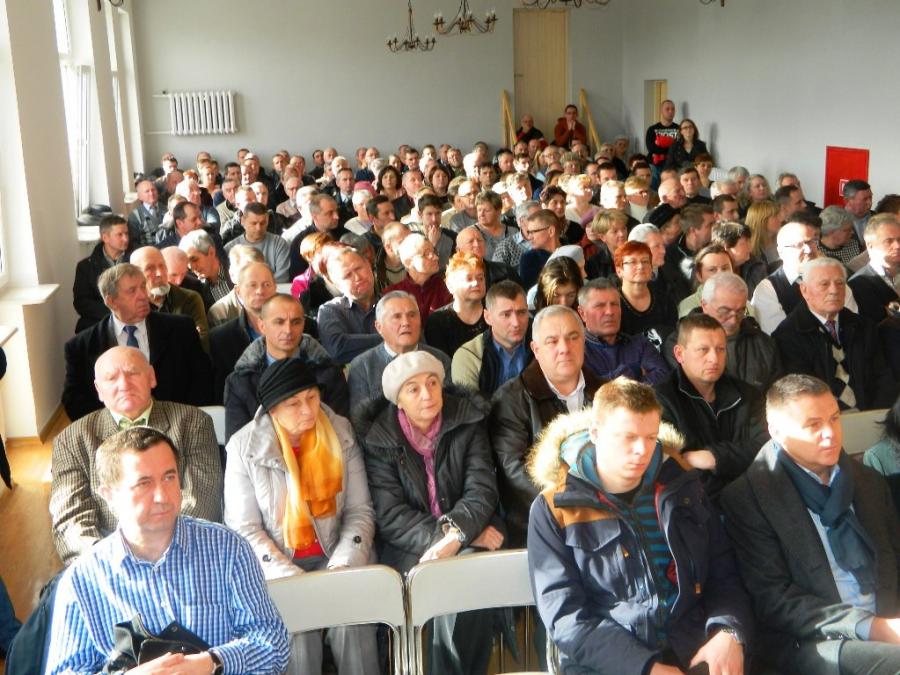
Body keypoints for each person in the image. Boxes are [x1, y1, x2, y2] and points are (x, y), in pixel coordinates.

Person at [528, 377, 753, 675]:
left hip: (694, 649)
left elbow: (724, 573)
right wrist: (645, 667)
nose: (641, 451)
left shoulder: (683, 487)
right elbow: (566, 618)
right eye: (628, 437)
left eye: (651, 437)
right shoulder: (554, 508)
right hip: (607, 663)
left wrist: (728, 631)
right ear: (595, 434)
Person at [45, 426, 290, 674]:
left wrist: (212, 662)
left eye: (169, 477)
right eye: (144, 484)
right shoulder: (82, 580)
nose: (162, 496)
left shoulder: (228, 549)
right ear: (109, 495)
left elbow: (274, 643)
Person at [721, 374, 900, 675]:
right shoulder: (748, 497)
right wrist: (871, 626)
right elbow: (774, 599)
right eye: (813, 425)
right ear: (776, 431)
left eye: (834, 419)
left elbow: (895, 555)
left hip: (888, 617)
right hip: (813, 639)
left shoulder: (867, 480)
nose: (830, 434)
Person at [224, 358, 378, 675]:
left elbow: (360, 511)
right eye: (294, 404)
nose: (308, 410)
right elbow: (246, 530)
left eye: (312, 397)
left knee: (353, 623)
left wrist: (343, 565)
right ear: (272, 410)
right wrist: (292, 577)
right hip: (276, 566)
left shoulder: (340, 430)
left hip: (337, 554)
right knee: (297, 630)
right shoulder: (243, 447)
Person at [359, 351, 504, 675]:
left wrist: (457, 536)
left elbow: (481, 490)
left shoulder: (467, 420)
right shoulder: (380, 438)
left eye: (433, 383)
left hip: (468, 535)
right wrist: (454, 536)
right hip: (411, 545)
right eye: (414, 389)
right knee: (447, 581)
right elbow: (392, 515)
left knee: (472, 577)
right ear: (398, 400)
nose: (427, 394)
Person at [51, 346, 223, 565]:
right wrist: (107, 564)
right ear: (98, 389)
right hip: (107, 561)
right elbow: (70, 520)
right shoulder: (70, 440)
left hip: (184, 553)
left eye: (132, 373)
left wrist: (166, 553)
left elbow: (203, 500)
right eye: (111, 378)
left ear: (151, 377)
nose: (124, 384)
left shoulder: (193, 422)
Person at [489, 305, 605, 548]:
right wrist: (575, 503)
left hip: (606, 515)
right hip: (542, 524)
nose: (564, 348)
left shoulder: (607, 393)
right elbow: (515, 471)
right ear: (536, 349)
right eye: (552, 341)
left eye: (573, 337)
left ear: (584, 341)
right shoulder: (510, 399)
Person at [63, 264, 212, 421]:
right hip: (117, 429)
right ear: (111, 301)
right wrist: (113, 424)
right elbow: (74, 401)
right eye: (132, 291)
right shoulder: (82, 346)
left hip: (180, 420)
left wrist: (185, 419)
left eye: (143, 287)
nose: (143, 296)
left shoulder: (181, 328)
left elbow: (203, 378)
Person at [654, 313, 769, 498]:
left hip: (755, 493)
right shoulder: (661, 400)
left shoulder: (747, 394)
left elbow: (766, 448)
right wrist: (737, 458)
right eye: (703, 350)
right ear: (679, 354)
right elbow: (675, 466)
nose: (714, 359)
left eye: (720, 349)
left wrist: (714, 457)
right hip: (698, 503)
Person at [773, 257, 896, 411]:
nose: (834, 290)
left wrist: (876, 416)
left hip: (872, 415)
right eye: (824, 284)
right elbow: (802, 393)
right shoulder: (787, 336)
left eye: (840, 283)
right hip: (824, 418)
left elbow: (883, 377)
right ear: (804, 290)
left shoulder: (863, 326)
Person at [224, 294, 348, 441]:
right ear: (262, 326)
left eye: (296, 322)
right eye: (279, 322)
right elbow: (238, 444)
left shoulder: (328, 372)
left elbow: (341, 433)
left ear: (304, 324)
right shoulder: (240, 382)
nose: (288, 330)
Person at [347, 291, 450, 415]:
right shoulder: (362, 366)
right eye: (397, 317)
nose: (406, 322)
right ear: (379, 327)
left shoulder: (439, 359)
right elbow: (361, 420)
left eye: (412, 315)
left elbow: (452, 409)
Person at [751, 220, 858, 335]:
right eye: (799, 245)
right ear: (781, 251)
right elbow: (780, 336)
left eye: (811, 242)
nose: (808, 250)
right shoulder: (768, 290)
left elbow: (853, 324)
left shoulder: (834, 279)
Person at [209, 261, 277, 403]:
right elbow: (222, 393)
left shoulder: (302, 326)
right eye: (252, 285)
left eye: (266, 284)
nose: (260, 291)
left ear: (275, 288)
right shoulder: (221, 338)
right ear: (238, 291)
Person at [578, 279, 670, 384]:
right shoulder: (577, 351)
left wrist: (611, 381)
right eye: (600, 306)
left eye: (614, 304)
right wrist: (634, 370)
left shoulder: (640, 344)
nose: (610, 312)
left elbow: (664, 378)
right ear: (582, 313)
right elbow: (588, 388)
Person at [130, 246, 210, 351]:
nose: (159, 273)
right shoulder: (130, 308)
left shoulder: (189, 299)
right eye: (150, 268)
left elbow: (202, 346)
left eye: (162, 266)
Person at [316, 247, 381, 365]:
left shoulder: (395, 302)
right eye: (347, 275)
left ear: (369, 265)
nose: (357, 277)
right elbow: (337, 349)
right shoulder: (330, 311)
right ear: (337, 285)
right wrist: (390, 337)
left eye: (358, 268)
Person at [73, 214, 132, 333]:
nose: (126, 239)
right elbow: (81, 303)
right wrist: (115, 312)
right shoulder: (86, 266)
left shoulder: (136, 259)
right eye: (120, 235)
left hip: (133, 317)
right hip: (100, 320)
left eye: (126, 234)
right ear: (105, 238)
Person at [615, 241, 678, 349]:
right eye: (633, 262)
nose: (640, 266)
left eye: (645, 261)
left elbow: (673, 338)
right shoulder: (613, 304)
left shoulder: (665, 300)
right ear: (619, 270)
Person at [425, 251, 487, 358]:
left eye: (480, 278)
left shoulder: (495, 312)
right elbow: (442, 362)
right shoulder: (437, 321)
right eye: (468, 279)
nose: (476, 283)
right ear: (450, 285)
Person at [383, 232, 452, 323]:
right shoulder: (393, 294)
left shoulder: (444, 285)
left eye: (434, 252)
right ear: (408, 262)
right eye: (427, 254)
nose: (436, 257)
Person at [848, 213, 900, 323]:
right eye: (889, 241)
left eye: (899, 240)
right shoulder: (858, 284)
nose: (897, 246)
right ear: (870, 245)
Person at [645, 99, 679, 180]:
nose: (670, 111)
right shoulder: (652, 129)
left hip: (673, 165)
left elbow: (679, 148)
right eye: (667, 109)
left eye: (673, 109)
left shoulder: (679, 128)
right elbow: (651, 148)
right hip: (654, 165)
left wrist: (661, 150)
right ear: (661, 111)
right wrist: (670, 150)